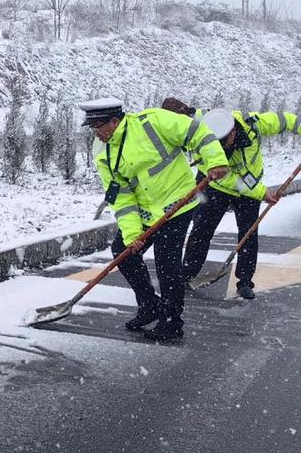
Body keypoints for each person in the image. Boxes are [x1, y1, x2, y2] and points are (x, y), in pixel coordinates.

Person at [80, 98, 229, 341]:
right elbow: (122, 197)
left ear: (114, 121)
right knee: (123, 252)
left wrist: (216, 160)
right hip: (148, 213)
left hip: (177, 204)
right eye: (92, 128)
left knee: (167, 263)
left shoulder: (152, 121)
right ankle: (150, 305)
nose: (96, 134)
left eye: (98, 127)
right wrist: (132, 235)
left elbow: (197, 132)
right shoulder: (103, 154)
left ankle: (171, 323)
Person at [182, 109, 301, 299]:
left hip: (249, 191)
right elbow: (228, 179)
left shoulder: (254, 126)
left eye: (223, 143)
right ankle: (186, 274)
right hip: (218, 188)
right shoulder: (206, 144)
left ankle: (245, 281)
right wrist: (261, 192)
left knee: (248, 234)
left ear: (232, 132)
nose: (220, 149)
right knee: (201, 230)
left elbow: (287, 120)